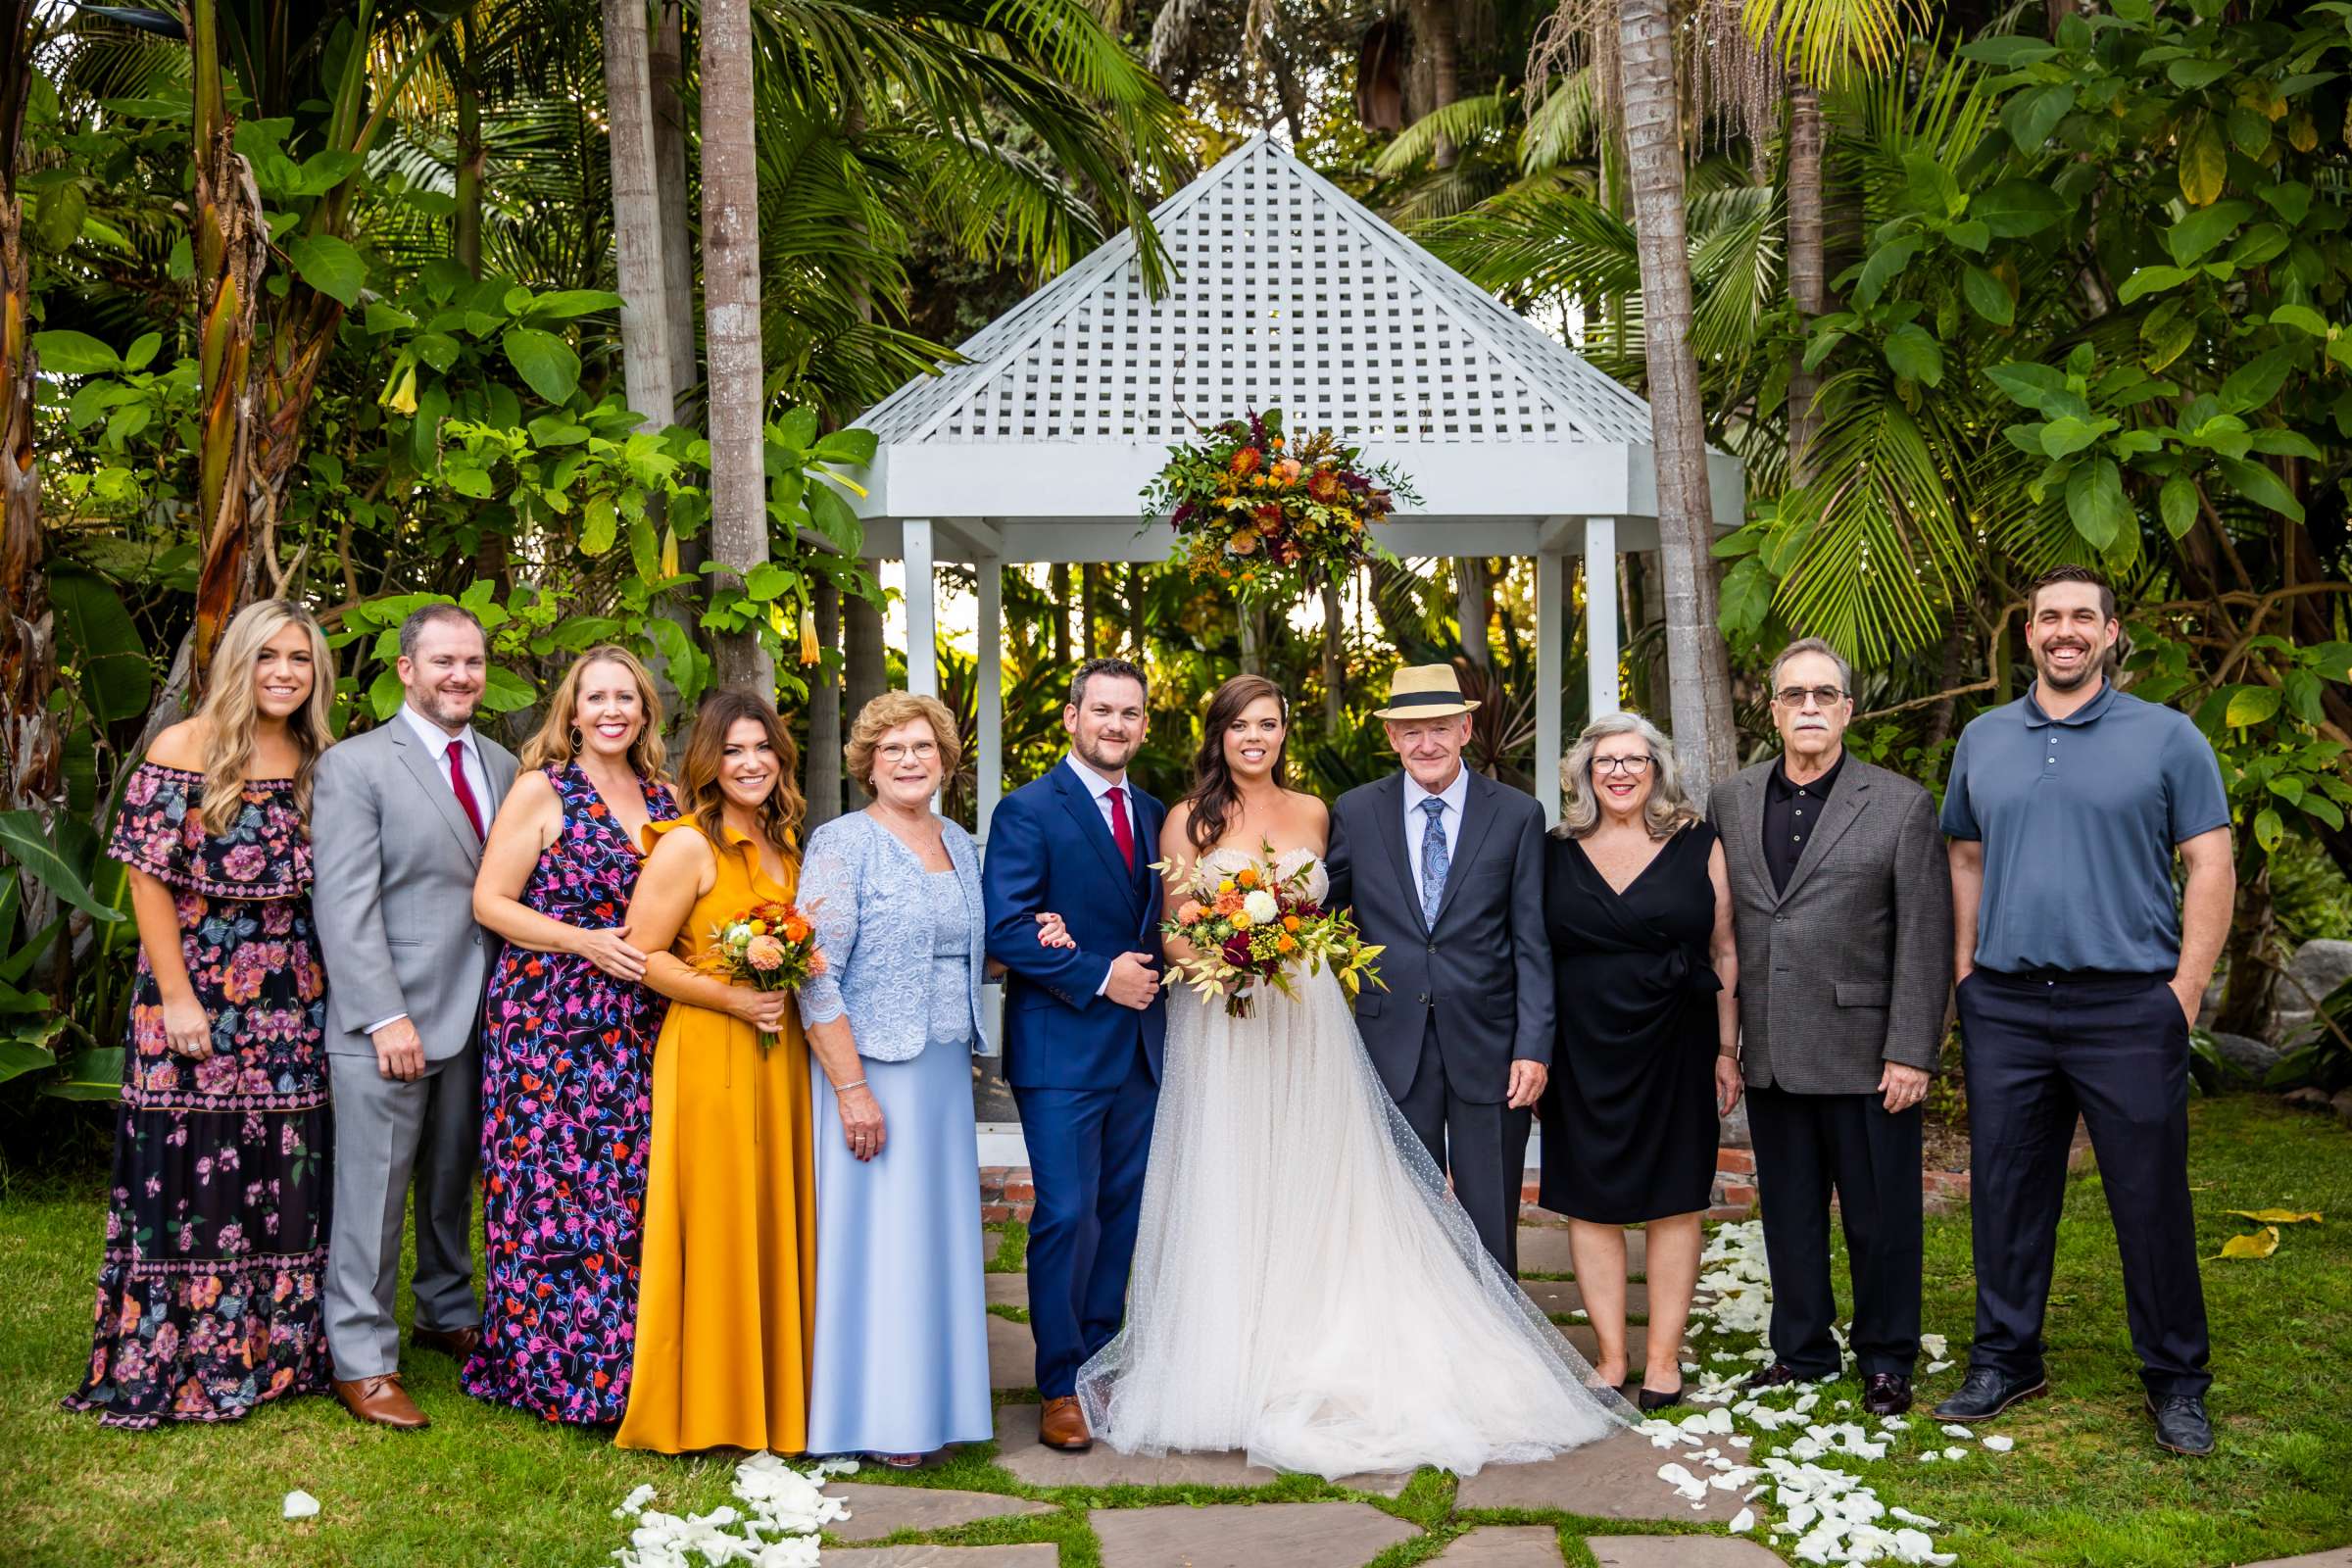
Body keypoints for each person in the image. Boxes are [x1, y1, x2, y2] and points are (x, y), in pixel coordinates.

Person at [1075, 674, 1623, 1480]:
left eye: (1269, 723)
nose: (1255, 738)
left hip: (1311, 1027)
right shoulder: (1193, 820)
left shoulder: (1320, 812)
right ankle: (1232, 1369)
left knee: (1328, 1189)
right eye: (1240, 726)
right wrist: (1233, 958)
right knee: (1236, 1187)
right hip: (1229, 1029)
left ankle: (1456, 1343)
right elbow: (1173, 934)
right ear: (1218, 735)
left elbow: (1340, 919)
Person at [1936, 565, 2232, 1457]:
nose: (2064, 631)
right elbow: (1965, 856)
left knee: (2149, 1199)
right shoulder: (1985, 739)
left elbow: (2210, 865)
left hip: (2129, 1003)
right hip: (2009, 1006)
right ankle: (2006, 1358)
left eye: (2082, 618)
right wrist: (1966, 976)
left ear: (2109, 634)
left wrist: (2182, 996)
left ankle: (2177, 1381)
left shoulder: (2169, 739)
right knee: (2006, 1192)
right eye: (2047, 618)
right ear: (2026, 635)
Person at [64, 600, 337, 1428]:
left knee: (281, 1172)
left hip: (292, 1000)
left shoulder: (317, 758)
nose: (284, 672)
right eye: (268, 656)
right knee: (187, 1171)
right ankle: (178, 1351)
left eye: (300, 658)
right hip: (195, 991)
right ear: (238, 663)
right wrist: (177, 997)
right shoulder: (184, 747)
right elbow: (148, 877)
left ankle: (272, 1353)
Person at [797, 692, 1073, 1465]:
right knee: (880, 1243)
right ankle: (878, 1415)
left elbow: (969, 949)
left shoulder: (958, 840)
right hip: (872, 1070)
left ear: (946, 760)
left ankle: (939, 1405)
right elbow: (814, 976)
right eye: (893, 750)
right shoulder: (841, 844)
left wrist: (1038, 932)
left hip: (946, 1066)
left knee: (935, 1244)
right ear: (867, 764)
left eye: (923, 747)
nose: (910, 760)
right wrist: (851, 1089)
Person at [1707, 639, 1952, 1417]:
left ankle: (1886, 1358)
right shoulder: (1733, 801)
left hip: (1866, 1054)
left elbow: (1925, 936)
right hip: (1773, 1052)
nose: (1808, 707)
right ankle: (1803, 1351)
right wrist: (1728, 1041)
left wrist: (1912, 1049)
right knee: (1789, 1215)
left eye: (1824, 695)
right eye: (1793, 696)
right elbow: (1732, 926)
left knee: (1881, 1223)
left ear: (1848, 708)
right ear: (1773, 711)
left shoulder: (1901, 804)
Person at [314, 604, 518, 1430]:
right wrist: (380, 1015)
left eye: (471, 661)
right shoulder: (355, 766)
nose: (460, 676)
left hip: (483, 1014)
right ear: (407, 670)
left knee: (448, 1180)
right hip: (391, 1019)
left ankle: (444, 1308)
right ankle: (361, 1357)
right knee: (372, 1190)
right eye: (442, 662)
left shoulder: (504, 763)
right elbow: (345, 902)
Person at [462, 646, 678, 1425]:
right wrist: (580, 940)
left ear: (646, 711)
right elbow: (491, 901)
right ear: (573, 711)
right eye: (597, 698)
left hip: (637, 1019)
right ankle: (553, 1368)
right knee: (551, 1189)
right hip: (548, 1021)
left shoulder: (668, 796)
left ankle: (629, 1364)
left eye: (626, 697)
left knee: (627, 1189)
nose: (612, 710)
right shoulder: (542, 789)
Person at [615, 691, 815, 1454]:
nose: (751, 763)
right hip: (711, 1050)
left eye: (762, 748)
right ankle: (709, 1407)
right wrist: (731, 997)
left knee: (770, 1212)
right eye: (733, 750)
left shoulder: (785, 841)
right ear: (709, 760)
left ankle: (777, 1398)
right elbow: (646, 957)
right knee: (720, 1221)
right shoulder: (686, 846)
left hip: (780, 1055)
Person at [982, 657, 1168, 1454]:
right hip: (1061, 1047)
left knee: (1121, 1215)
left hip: (1143, 1050)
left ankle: (1101, 1362)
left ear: (1144, 726)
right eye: (1102, 711)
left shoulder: (1162, 813)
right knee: (1065, 1213)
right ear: (1071, 717)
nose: (1115, 725)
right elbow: (1007, 928)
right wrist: (1097, 972)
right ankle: (1058, 1383)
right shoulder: (1027, 810)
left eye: (1129, 713)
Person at [1539, 711, 1739, 1412]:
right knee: (1589, 1203)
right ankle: (1611, 1356)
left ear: (1656, 770)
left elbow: (1725, 951)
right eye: (1605, 762)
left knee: (1674, 1199)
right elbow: (1533, 955)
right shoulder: (1554, 850)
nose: (1620, 772)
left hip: (1677, 1041)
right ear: (1585, 775)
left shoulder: (1698, 843)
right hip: (1581, 1046)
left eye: (1634, 760)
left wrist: (1725, 1046)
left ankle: (1661, 1359)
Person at [1323, 664, 1552, 1275]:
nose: (1427, 744)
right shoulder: (1354, 811)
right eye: (1411, 730)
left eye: (1440, 728)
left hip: (1491, 1044)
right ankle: (1412, 1354)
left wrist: (1534, 1046)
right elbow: (1321, 913)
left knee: (1490, 1210)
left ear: (1466, 729)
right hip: (1390, 1041)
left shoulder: (1517, 814)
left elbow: (1531, 939)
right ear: (1393, 737)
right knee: (1404, 1212)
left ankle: (1500, 1346)